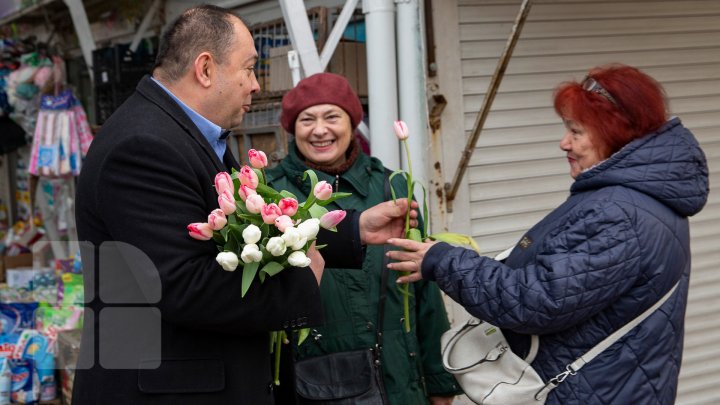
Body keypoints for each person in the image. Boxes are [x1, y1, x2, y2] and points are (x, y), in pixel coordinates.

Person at [73, 6, 417, 405]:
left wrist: (354, 231)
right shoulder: (143, 146)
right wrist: (303, 284)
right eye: (249, 69)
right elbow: (184, 285)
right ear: (205, 69)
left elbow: (246, 239)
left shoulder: (182, 134)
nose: (256, 85)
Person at [387, 64, 709, 404]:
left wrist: (443, 260)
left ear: (615, 134)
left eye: (576, 131)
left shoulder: (619, 213)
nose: (563, 142)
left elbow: (535, 301)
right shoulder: (635, 198)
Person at [266, 72, 461, 404]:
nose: (320, 130)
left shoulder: (392, 187)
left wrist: (440, 381)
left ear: (352, 123)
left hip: (400, 379)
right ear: (292, 128)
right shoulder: (271, 195)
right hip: (314, 383)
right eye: (307, 120)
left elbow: (424, 285)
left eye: (332, 117)